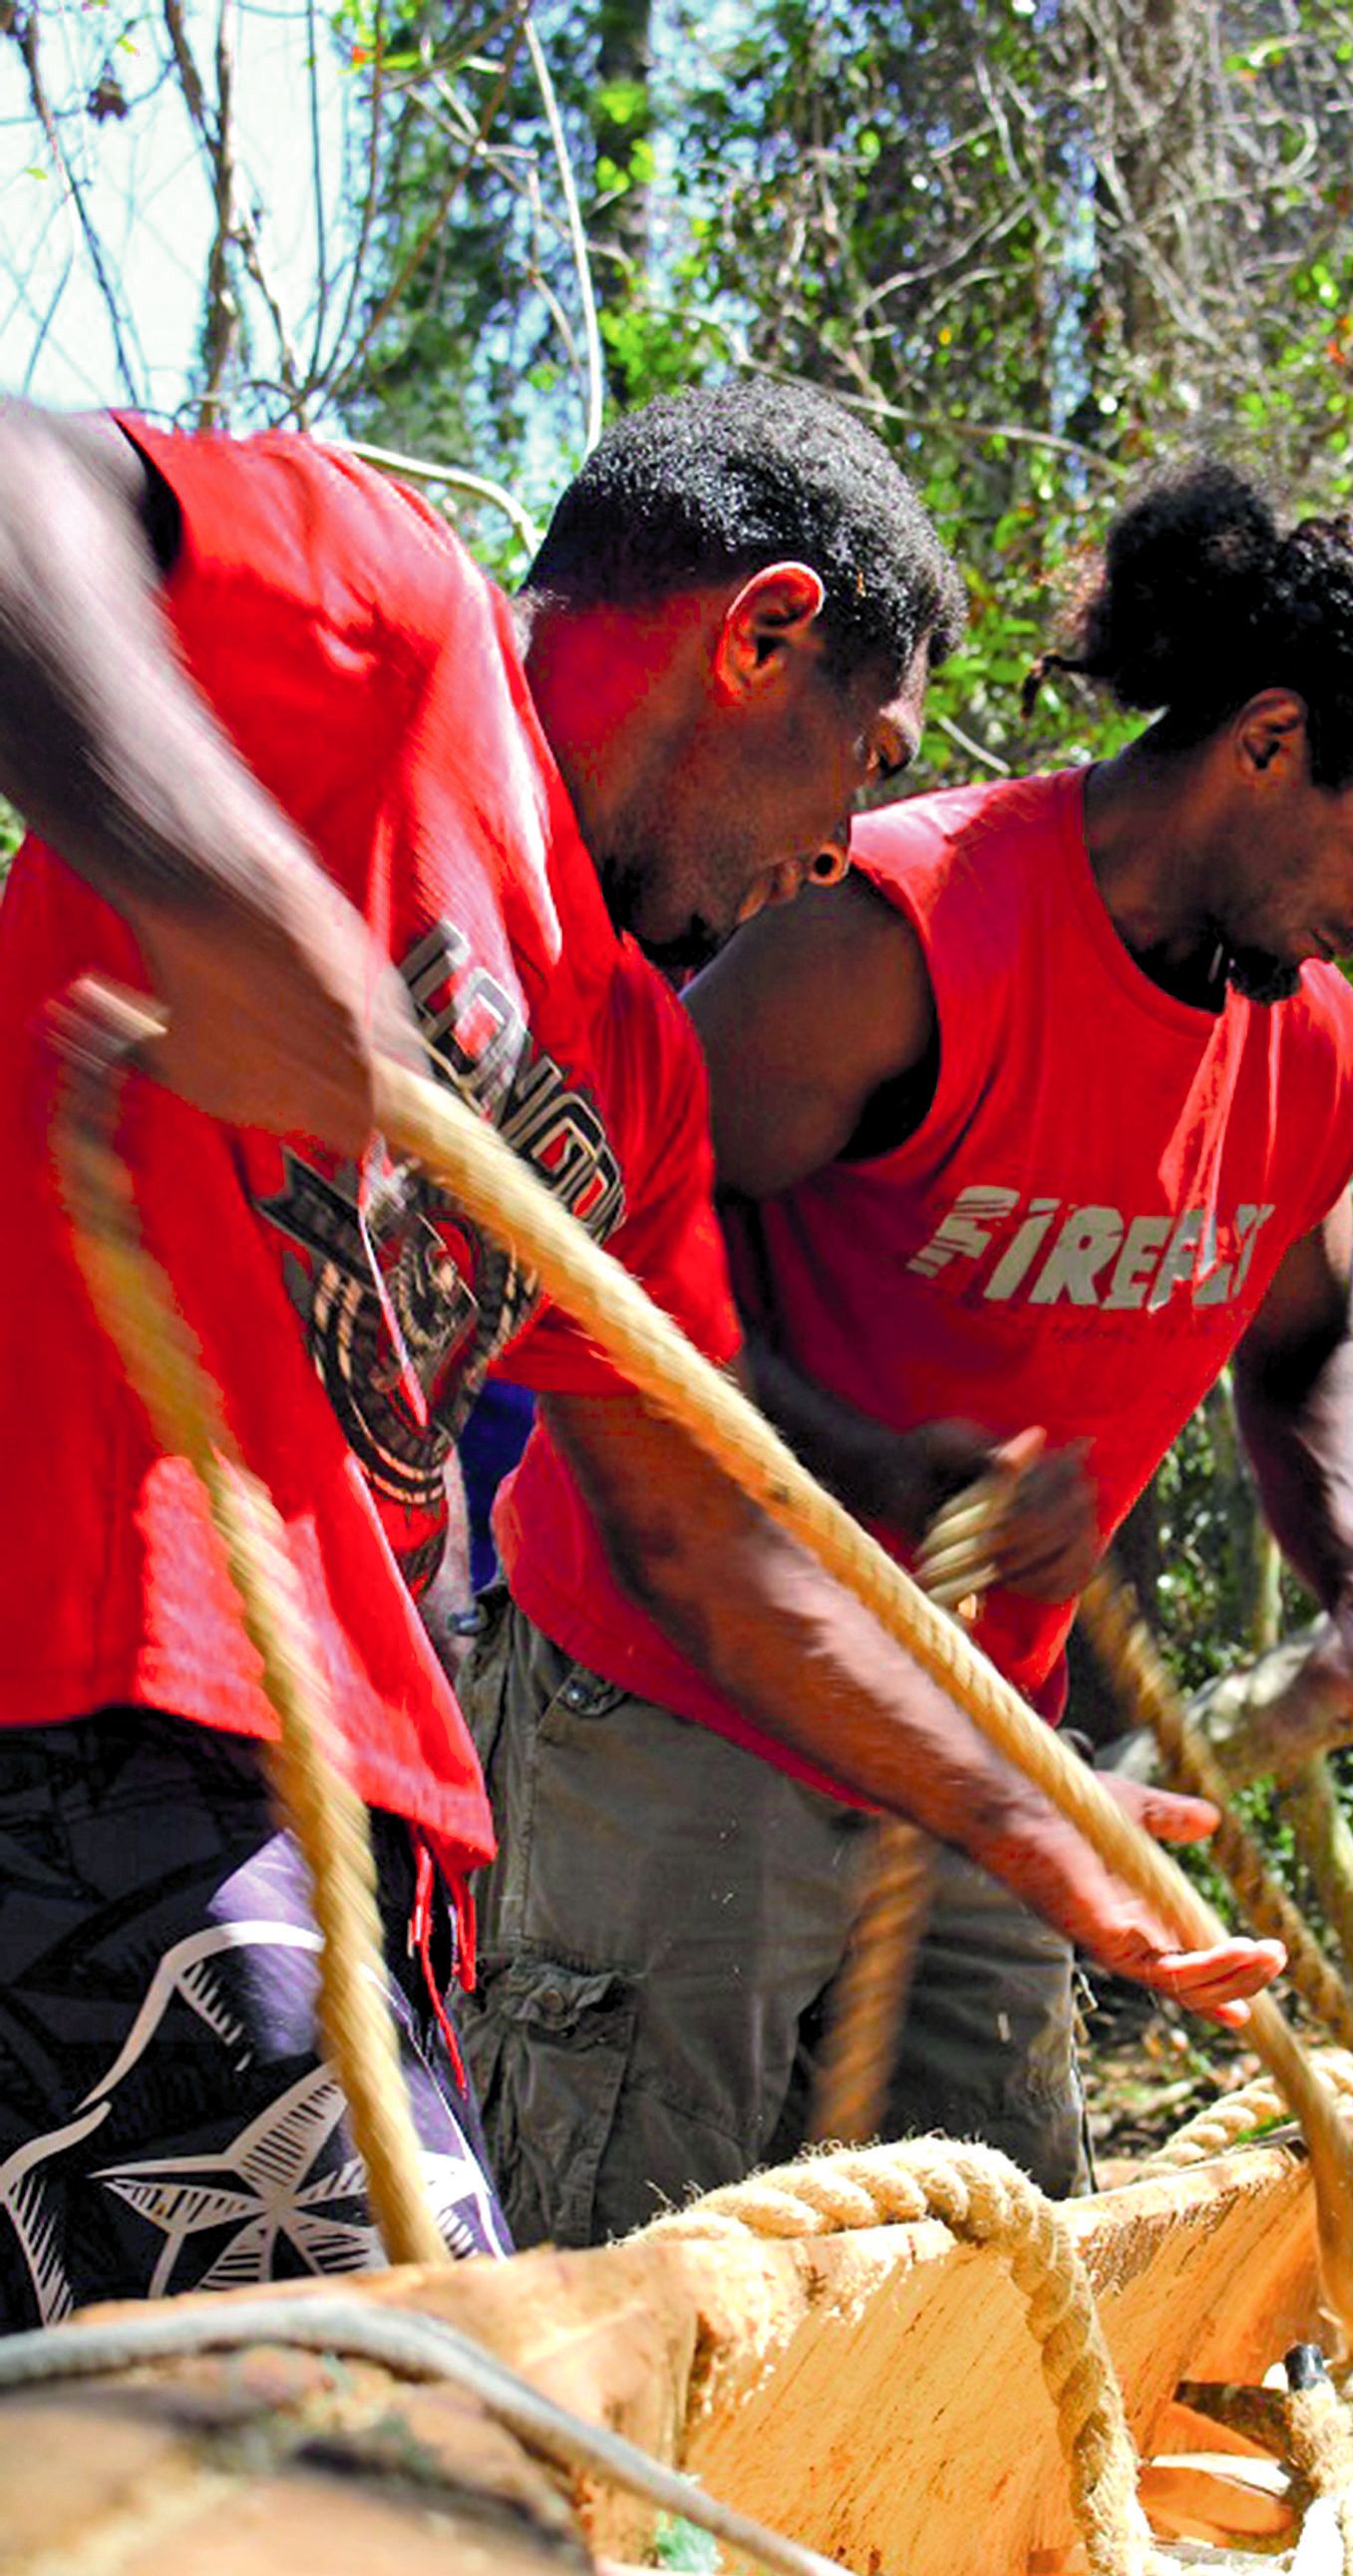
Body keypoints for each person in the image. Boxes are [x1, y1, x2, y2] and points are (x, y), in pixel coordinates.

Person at [0, 389, 1276, 2331]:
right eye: (866, 761)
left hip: (366, 1831)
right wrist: (207, 887)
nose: (845, 844)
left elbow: (711, 1543)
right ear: (758, 635)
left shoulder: (639, 1070)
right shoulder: (395, 624)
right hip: (108, 1712)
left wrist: (1020, 1809)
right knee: (436, 2490)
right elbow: (25, 474)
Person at [466, 460, 1353, 2231]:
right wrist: (878, 1463)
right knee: (631, 2298)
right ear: (1268, 742)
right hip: (674, 1707)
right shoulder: (895, 934)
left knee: (990, 2296)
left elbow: (1307, 1332)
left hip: (982, 1759)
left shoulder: (1313, 1055)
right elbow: (592, 1254)